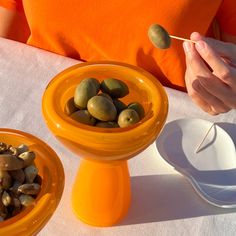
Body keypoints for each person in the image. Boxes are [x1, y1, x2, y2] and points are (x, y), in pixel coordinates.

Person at [0, 0, 235, 115]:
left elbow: (230, 60)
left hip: (164, 140)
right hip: (41, 120)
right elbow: (7, 55)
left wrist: (226, 86)